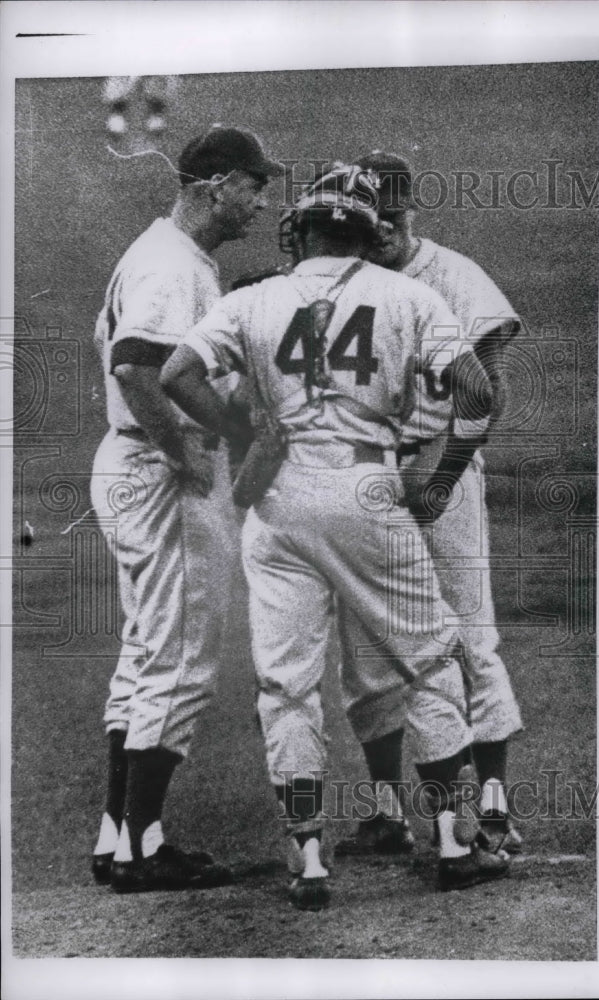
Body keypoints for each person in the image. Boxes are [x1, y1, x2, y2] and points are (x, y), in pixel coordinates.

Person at [160, 163, 508, 910]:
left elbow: (178, 372)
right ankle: (453, 840)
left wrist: (245, 428)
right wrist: (443, 475)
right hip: (370, 490)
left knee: (286, 685)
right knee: (427, 662)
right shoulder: (408, 294)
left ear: (303, 230)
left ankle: (308, 858)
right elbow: (481, 389)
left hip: (279, 504)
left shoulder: (254, 299)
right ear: (361, 229)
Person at [90, 125, 283, 893]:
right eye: (252, 185)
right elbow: (138, 365)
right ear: (212, 184)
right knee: (181, 658)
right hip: (156, 464)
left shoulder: (166, 254)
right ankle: (145, 850)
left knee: (146, 654)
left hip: (128, 459)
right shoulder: (170, 262)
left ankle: (119, 838)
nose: (261, 202)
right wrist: (180, 452)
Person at [336, 151, 524, 858]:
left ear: (412, 209)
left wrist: (441, 474)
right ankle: (385, 811)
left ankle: (496, 804)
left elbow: (487, 392)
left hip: (443, 466)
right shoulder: (347, 284)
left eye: (394, 213)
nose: (383, 228)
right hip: (370, 478)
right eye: (370, 215)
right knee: (367, 648)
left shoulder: (455, 276)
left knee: (469, 633)